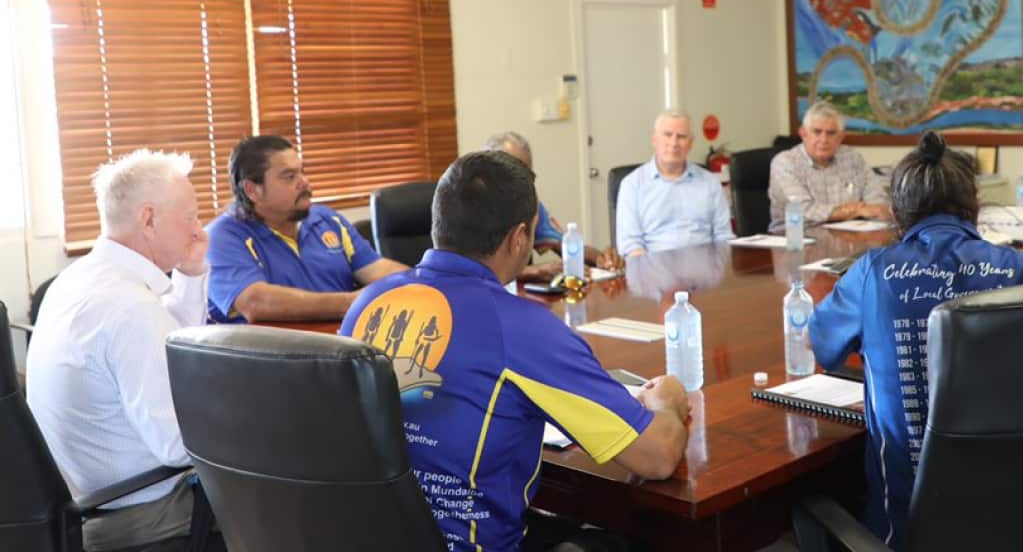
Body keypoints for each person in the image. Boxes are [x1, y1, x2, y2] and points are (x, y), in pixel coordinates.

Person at [339, 151, 689, 552]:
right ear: (519, 237)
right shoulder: (523, 328)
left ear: (439, 224)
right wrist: (666, 402)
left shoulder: (368, 303)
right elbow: (657, 457)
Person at [800, 132, 1023, 552]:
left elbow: (820, 346)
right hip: (1022, 520)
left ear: (896, 212)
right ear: (975, 207)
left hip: (904, 534)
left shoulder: (873, 273)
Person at [26, 150, 222, 552]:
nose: (199, 231)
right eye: (190, 216)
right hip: (144, 519)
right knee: (298, 499)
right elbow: (176, 445)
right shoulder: (130, 309)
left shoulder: (78, 280)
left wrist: (190, 275)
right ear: (148, 219)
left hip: (85, 505)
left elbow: (172, 339)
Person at [205, 135, 407, 323]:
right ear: (252, 190)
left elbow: (378, 269)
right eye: (289, 176)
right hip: (271, 357)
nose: (304, 182)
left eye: (302, 172)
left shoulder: (327, 220)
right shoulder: (221, 237)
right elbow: (254, 302)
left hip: (339, 348)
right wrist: (348, 303)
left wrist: (423, 281)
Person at [484, 131, 623, 280]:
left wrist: (602, 259)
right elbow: (473, 272)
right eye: (514, 173)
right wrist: (533, 271)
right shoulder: (469, 207)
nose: (522, 183)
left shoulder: (529, 206)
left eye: (527, 175)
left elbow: (566, 245)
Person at [615, 110, 732, 256]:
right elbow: (630, 245)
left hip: (704, 272)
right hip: (654, 272)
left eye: (681, 137)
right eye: (668, 134)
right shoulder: (632, 185)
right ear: (654, 140)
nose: (674, 143)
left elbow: (723, 237)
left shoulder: (710, 183)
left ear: (690, 144)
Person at [768, 101, 889, 232]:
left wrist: (867, 211)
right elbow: (804, 211)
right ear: (803, 134)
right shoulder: (785, 162)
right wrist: (857, 210)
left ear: (841, 136)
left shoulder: (853, 158)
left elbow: (878, 202)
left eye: (831, 133)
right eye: (817, 132)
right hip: (796, 240)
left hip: (848, 238)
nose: (824, 140)